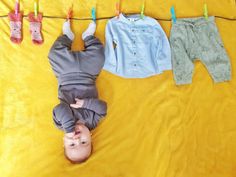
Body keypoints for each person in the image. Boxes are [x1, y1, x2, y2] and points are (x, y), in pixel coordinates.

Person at [48, 19, 107, 163]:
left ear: (64, 140)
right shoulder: (92, 122)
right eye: (84, 142)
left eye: (72, 144)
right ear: (91, 137)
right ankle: (88, 37)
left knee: (54, 54)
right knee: (100, 55)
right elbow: (103, 108)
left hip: (65, 74)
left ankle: (67, 36)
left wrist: (68, 127)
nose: (77, 138)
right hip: (88, 74)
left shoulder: (60, 124)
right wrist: (85, 104)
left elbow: (60, 108)